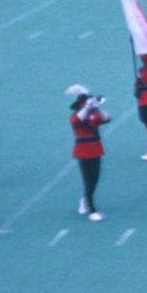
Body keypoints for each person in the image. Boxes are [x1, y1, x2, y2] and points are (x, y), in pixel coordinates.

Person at [67, 85, 110, 220]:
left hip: (96, 149)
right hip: (83, 151)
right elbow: (76, 121)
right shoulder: (75, 116)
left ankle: (85, 200)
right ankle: (91, 208)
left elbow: (107, 118)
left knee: (95, 177)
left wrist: (96, 106)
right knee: (88, 180)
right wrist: (87, 107)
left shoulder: (94, 114)